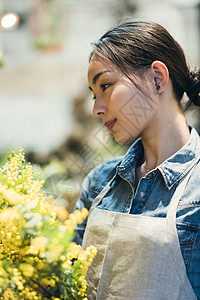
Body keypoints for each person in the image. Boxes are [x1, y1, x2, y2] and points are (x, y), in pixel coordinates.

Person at [74, 21, 200, 299]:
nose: (97, 108)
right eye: (94, 94)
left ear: (157, 78)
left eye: (105, 86)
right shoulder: (99, 183)